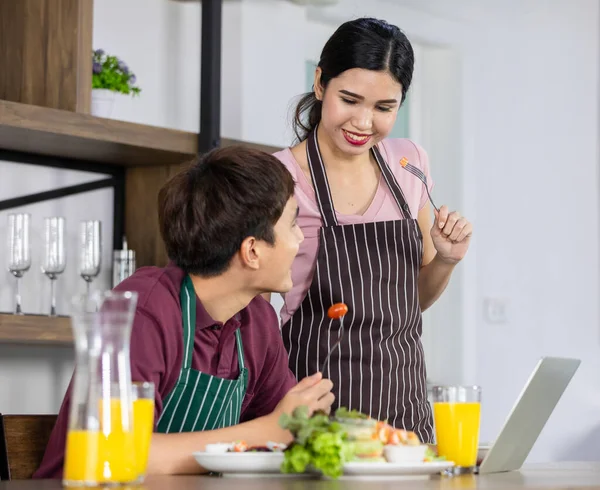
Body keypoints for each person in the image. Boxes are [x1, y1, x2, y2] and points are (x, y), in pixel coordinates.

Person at [34, 146, 335, 478]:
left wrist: (299, 424)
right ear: (252, 251)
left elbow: (284, 438)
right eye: (293, 224)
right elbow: (113, 454)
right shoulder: (144, 309)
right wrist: (267, 431)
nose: (302, 238)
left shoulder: (257, 323)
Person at [272, 18, 473, 443]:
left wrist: (447, 260)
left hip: (404, 413)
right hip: (316, 413)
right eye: (350, 99)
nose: (364, 122)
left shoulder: (408, 163)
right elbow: (249, 302)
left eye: (384, 108)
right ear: (320, 83)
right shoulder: (279, 177)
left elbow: (409, 300)